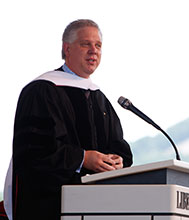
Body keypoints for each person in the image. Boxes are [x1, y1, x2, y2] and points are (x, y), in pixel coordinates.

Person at [4, 19, 133, 220]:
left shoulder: (101, 99)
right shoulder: (41, 91)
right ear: (67, 49)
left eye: (98, 45)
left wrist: (116, 161)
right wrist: (82, 158)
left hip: (96, 208)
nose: (93, 50)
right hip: (50, 209)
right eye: (85, 44)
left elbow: (118, 146)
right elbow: (33, 154)